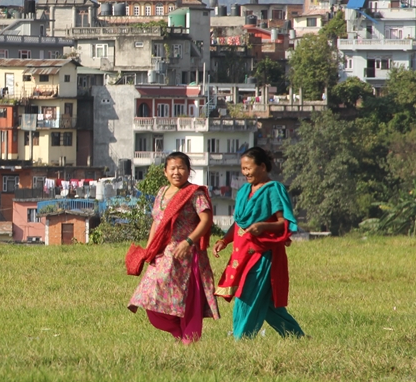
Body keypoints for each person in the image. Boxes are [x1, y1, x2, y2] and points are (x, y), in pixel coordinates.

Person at [127, 152, 219, 343]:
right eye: (173, 168)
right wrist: (149, 248)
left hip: (187, 255)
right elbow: (156, 222)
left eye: (181, 168)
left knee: (187, 300)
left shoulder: (195, 194)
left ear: (189, 170)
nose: (177, 172)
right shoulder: (161, 192)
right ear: (165, 172)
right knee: (148, 297)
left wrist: (189, 242)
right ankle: (179, 333)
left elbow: (206, 220)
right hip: (163, 254)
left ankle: (189, 339)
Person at [214, 147, 304, 339]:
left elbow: (284, 223)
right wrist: (225, 240)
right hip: (242, 253)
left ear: (262, 167)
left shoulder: (274, 190)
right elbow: (239, 222)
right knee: (268, 305)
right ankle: (297, 337)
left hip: (263, 255)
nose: (245, 173)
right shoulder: (244, 190)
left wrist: (263, 226)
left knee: (246, 296)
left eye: (248, 168)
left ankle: (242, 338)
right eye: (243, 169)